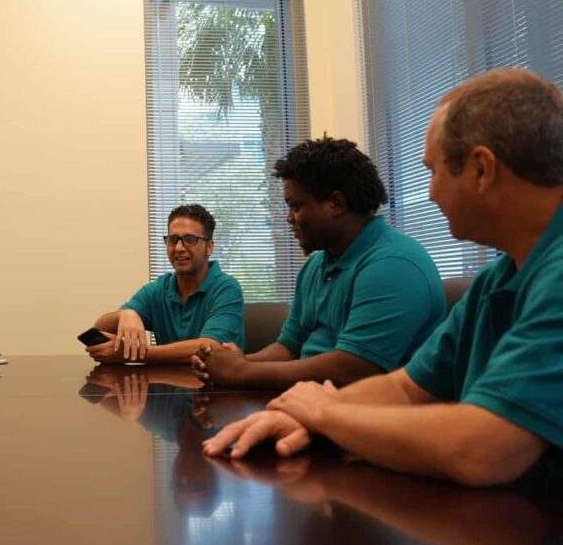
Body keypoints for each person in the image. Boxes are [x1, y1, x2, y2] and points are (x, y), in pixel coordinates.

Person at [204, 68, 563, 487]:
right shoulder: (499, 278)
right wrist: (290, 413)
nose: (429, 192)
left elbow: (484, 452)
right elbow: (409, 388)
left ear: (482, 170)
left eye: (434, 171)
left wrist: (325, 413)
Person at [193, 137, 444, 389]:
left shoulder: (393, 265)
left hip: (379, 413)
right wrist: (232, 363)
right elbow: (290, 347)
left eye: (296, 206)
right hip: (319, 401)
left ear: (336, 204)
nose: (290, 218)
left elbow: (354, 368)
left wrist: (243, 372)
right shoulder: (316, 265)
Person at [86, 204, 244, 364]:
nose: (179, 248)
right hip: (165, 385)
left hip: (215, 387)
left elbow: (210, 347)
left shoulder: (227, 288)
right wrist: (124, 315)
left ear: (209, 247)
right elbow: (100, 329)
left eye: (190, 240)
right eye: (173, 240)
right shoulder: (158, 289)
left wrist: (134, 353)